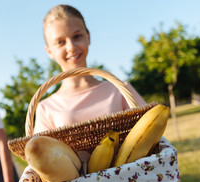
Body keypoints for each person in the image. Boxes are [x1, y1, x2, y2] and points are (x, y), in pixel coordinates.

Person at [34, 4, 146, 133]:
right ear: (49, 51)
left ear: (88, 37)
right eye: (60, 42)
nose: (71, 47)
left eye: (77, 36)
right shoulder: (46, 108)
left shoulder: (120, 91)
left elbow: (153, 136)